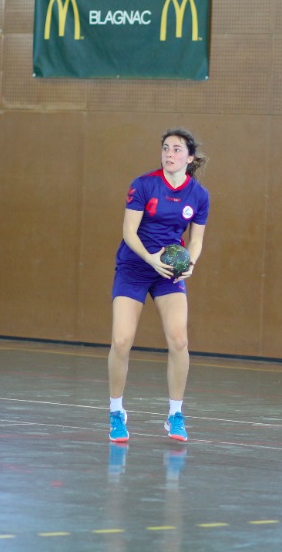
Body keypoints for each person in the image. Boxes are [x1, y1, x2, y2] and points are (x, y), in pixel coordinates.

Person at [107, 128, 209, 444]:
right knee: (121, 341)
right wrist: (151, 259)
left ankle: (175, 414)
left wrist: (190, 263)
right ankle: (116, 412)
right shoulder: (143, 185)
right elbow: (129, 232)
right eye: (166, 148)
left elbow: (196, 240)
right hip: (135, 267)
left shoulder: (199, 195)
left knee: (179, 340)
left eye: (177, 149)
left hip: (168, 274)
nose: (169, 154)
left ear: (189, 158)